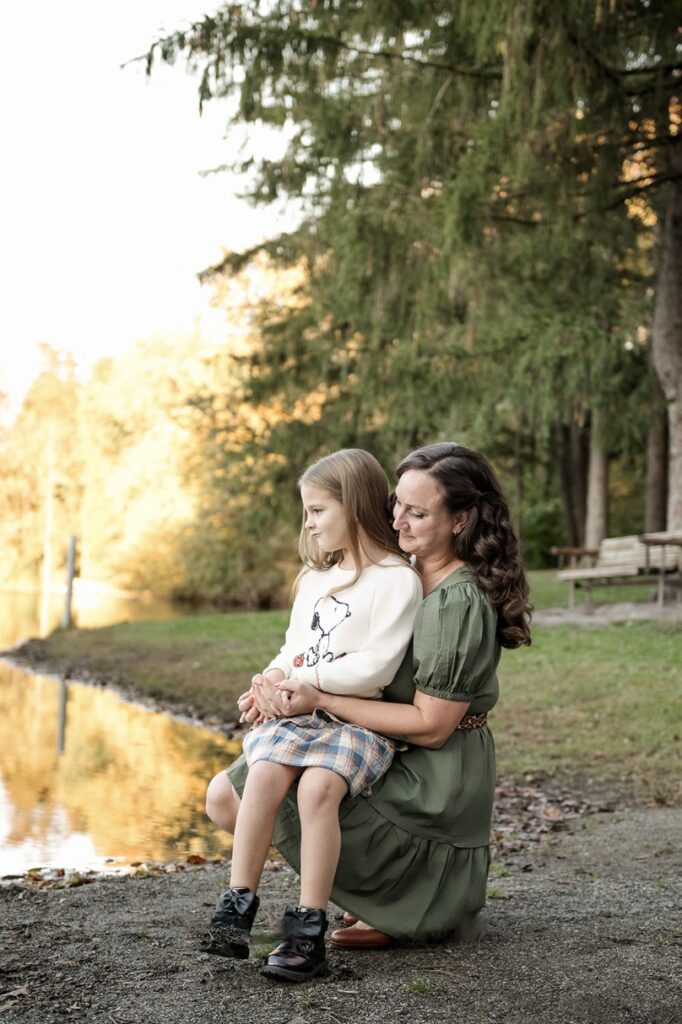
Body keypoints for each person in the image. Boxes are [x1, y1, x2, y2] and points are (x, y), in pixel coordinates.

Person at [206, 442, 531, 962]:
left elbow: (431, 727)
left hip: (434, 771)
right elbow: (309, 645)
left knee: (307, 790)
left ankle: (387, 901)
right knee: (228, 794)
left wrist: (316, 695)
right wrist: (276, 684)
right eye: (396, 503)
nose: (397, 520)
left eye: (418, 512)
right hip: (382, 736)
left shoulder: (455, 600)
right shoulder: (400, 571)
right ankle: (326, 899)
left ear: (460, 521)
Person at [200, 448, 422, 981]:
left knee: (317, 789)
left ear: (355, 505)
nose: (309, 522)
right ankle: (237, 908)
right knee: (264, 774)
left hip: (357, 718)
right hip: (302, 710)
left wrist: (307, 685)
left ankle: (307, 931)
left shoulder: (397, 580)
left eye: (318, 509)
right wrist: (269, 683)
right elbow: (293, 650)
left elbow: (377, 665)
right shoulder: (314, 580)